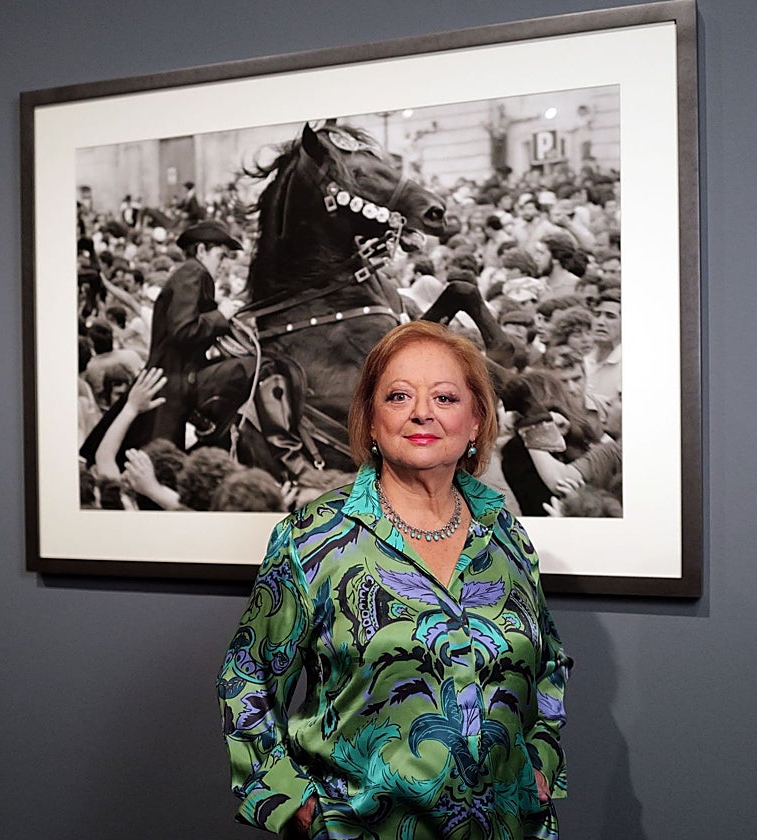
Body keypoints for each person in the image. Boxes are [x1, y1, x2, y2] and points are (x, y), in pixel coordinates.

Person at [218, 321, 571, 840]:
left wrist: (541, 760)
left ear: (476, 422)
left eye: (445, 397)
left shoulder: (506, 535)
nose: (422, 412)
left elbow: (548, 663)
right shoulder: (315, 537)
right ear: (371, 420)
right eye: (399, 395)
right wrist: (291, 800)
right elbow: (246, 673)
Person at [144, 219, 244, 446]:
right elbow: (183, 329)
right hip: (172, 379)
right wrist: (222, 315)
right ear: (201, 250)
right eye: (221, 256)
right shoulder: (194, 272)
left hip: (171, 377)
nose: (224, 264)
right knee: (162, 451)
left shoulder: (191, 274)